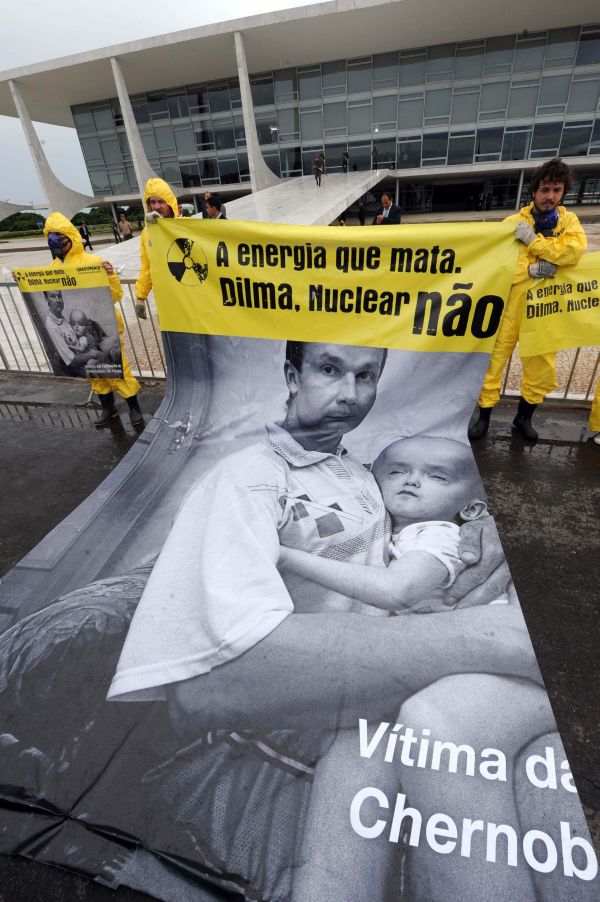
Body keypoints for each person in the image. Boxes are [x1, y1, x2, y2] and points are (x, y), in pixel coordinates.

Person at [108, 341, 542, 900]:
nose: (350, 393)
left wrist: (475, 529)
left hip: (380, 698)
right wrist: (485, 640)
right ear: (292, 374)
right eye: (330, 369)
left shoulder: (358, 472)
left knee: (532, 782)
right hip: (332, 715)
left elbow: (423, 518)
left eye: (367, 376)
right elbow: (202, 685)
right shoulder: (249, 479)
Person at [278, 435, 496, 613]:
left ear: (471, 509)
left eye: (438, 477)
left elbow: (395, 591)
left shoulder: (442, 536)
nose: (411, 480)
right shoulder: (399, 528)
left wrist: (285, 557)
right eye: (397, 472)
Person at [469, 158, 587, 442]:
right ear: (534, 191)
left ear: (563, 193)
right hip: (511, 308)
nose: (550, 196)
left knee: (540, 366)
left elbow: (572, 252)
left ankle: (523, 419)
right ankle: (483, 416)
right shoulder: (513, 224)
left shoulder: (569, 222)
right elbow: (498, 264)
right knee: (493, 361)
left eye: (557, 190)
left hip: (545, 312)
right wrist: (533, 269)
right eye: (545, 189)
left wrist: (534, 244)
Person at [43, 212, 143, 428]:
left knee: (116, 367)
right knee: (95, 373)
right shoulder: (52, 270)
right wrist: (23, 282)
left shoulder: (93, 261)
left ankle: (134, 405)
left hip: (103, 328)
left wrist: (110, 275)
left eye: (61, 239)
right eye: (52, 239)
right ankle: (108, 408)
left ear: (71, 237)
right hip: (77, 331)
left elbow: (115, 295)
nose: (58, 245)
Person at [134, 177, 180, 320]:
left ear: (170, 203)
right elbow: (147, 267)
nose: (156, 206)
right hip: (165, 301)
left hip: (190, 297)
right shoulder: (146, 234)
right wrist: (140, 297)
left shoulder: (185, 226)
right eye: (152, 202)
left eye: (161, 201)